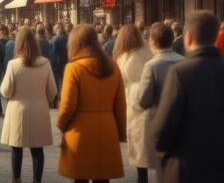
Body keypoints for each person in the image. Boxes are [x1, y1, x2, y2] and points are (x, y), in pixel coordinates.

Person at [154, 10, 224, 183]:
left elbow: (161, 131)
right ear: (215, 37)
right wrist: (223, 145)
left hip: (186, 168)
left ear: (189, 37)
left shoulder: (179, 73)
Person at [57, 23, 127, 183]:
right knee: (102, 178)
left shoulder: (74, 68)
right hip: (107, 131)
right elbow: (120, 105)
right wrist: (121, 133)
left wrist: (61, 124)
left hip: (80, 133)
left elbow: (68, 105)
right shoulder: (112, 67)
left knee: (80, 178)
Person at [0, 26, 57, 182]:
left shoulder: (13, 64)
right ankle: (37, 180)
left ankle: (16, 178)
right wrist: (44, 99)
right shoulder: (45, 63)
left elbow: (5, 91)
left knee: (16, 148)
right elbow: (52, 90)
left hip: (18, 110)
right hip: (39, 110)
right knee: (37, 150)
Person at [136, 23, 184, 175]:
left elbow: (144, 100)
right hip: (183, 122)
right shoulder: (184, 61)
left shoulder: (151, 66)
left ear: (153, 42)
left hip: (159, 123)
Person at [112, 24, 154, 183]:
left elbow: (118, 80)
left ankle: (141, 178)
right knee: (144, 144)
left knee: (138, 147)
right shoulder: (147, 51)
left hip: (131, 102)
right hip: (148, 100)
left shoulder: (123, 57)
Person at [51, 23, 69, 108]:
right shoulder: (68, 37)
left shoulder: (55, 39)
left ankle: (60, 99)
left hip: (58, 64)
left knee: (58, 82)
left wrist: (53, 64)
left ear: (57, 29)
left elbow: (54, 53)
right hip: (68, 62)